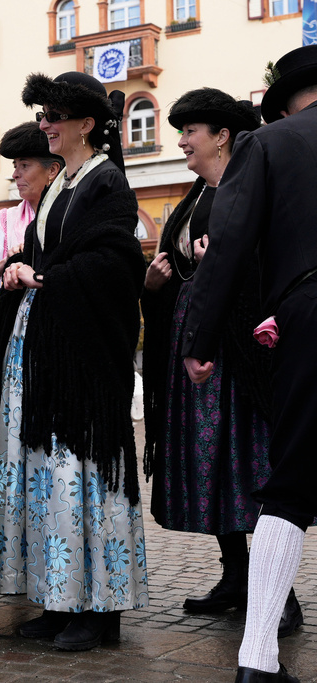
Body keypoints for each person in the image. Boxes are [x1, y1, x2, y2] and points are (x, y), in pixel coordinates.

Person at [0, 72, 148, 651]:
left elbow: (112, 265)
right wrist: (19, 264)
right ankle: (58, 596)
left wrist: (42, 276)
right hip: (48, 346)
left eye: (54, 116)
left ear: (85, 124)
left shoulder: (107, 183)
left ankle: (99, 610)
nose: (45, 125)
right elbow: (49, 248)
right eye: (43, 115)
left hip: (84, 355)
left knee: (84, 475)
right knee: (52, 476)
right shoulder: (62, 184)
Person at [141, 89, 303, 636]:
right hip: (201, 351)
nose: (182, 141)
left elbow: (275, 260)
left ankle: (278, 593)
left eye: (191, 131)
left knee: (252, 465)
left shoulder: (251, 184)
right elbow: (185, 275)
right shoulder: (191, 199)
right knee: (211, 465)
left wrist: (231, 262)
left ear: (222, 137)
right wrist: (159, 283)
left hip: (243, 356)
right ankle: (235, 574)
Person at [182, 45, 317, 683]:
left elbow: (228, 245)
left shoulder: (270, 144)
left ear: (285, 101)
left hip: (309, 312)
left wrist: (199, 342)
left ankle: (258, 661)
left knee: (289, 486)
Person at [0, 122, 61, 372]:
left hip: (55, 330)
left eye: (25, 165)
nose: (16, 174)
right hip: (7, 332)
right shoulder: (5, 219)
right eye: (14, 166)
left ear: (52, 170)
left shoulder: (66, 216)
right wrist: (8, 262)